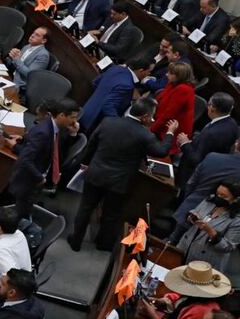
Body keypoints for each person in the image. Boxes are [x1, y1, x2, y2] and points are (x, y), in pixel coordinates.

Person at [68, 98, 169, 251]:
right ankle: (103, 244)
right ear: (145, 117)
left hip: (96, 174)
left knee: (85, 208)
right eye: (152, 116)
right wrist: (170, 133)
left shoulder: (108, 122)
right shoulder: (145, 135)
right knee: (111, 214)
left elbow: (91, 146)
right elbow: (161, 151)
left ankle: (76, 241)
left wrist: (86, 163)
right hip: (119, 182)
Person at [172, 126, 240, 237]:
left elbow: (190, 184)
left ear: (236, 144)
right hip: (216, 228)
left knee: (170, 245)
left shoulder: (212, 157)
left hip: (190, 211)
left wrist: (190, 203)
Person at [7, 97, 80, 219]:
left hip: (39, 177)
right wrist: (40, 177)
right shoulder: (44, 132)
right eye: (72, 117)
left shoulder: (55, 129)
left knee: (24, 212)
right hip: (28, 182)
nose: (75, 121)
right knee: (19, 217)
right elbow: (25, 160)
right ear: (62, 115)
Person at [141, 261, 233, 319]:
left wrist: (153, 315)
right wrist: (163, 301)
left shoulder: (201, 310)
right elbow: (179, 299)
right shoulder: (198, 296)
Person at [177, 181, 240, 269]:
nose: (218, 197)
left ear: (236, 199)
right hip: (184, 247)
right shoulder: (209, 201)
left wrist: (210, 232)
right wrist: (191, 217)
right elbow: (195, 211)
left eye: (224, 196)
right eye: (218, 193)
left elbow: (228, 247)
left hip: (204, 261)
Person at [174, 92, 238, 188]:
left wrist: (185, 144)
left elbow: (196, 160)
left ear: (212, 108)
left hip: (191, 176)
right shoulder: (232, 124)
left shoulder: (211, 133)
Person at [78, 55, 150, 134]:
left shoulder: (116, 68)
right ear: (141, 70)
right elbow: (108, 106)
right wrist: (117, 124)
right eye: (149, 71)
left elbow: (95, 82)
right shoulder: (127, 85)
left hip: (85, 111)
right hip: (94, 122)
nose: (149, 74)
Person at [151, 61, 194, 157]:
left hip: (173, 129)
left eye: (170, 73)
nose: (166, 74)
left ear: (179, 76)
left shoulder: (184, 89)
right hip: (161, 121)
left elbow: (168, 114)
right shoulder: (173, 84)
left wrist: (151, 129)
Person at [8, 26, 50, 90]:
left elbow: (30, 75)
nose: (32, 35)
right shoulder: (27, 46)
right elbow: (17, 63)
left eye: (37, 35)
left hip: (19, 84)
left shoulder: (43, 55)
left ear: (43, 41)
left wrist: (16, 59)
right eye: (33, 33)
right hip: (11, 75)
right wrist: (13, 56)